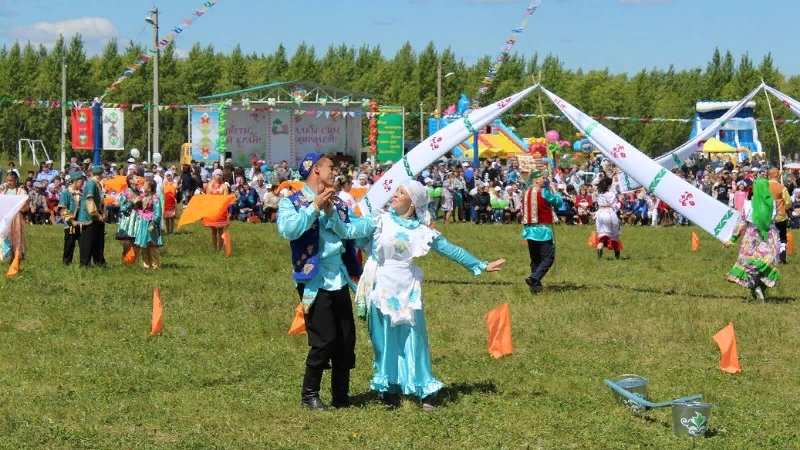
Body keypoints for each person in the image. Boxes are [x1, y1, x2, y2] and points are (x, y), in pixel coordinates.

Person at [330, 180, 504, 411]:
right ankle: (389, 386)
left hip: (407, 288)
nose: (394, 194)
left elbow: (450, 249)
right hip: (380, 285)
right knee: (383, 339)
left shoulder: (422, 232)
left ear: (412, 203)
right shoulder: (380, 220)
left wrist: (479, 265)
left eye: (401, 192)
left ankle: (423, 388)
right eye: (396, 191)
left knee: (414, 338)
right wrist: (331, 211)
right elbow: (352, 229)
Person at [276, 152, 363, 411]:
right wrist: (314, 207)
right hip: (314, 279)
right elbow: (288, 230)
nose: (335, 172)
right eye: (330, 167)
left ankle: (341, 396)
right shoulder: (292, 201)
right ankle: (309, 395)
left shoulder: (338, 202)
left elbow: (358, 227)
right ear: (316, 169)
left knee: (345, 339)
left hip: (339, 277)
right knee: (324, 339)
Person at [723, 178, 780, 301]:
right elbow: (778, 219)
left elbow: (741, 224)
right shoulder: (774, 204)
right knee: (767, 263)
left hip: (752, 236)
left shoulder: (747, 205)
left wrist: (732, 239)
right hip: (770, 236)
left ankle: (755, 287)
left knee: (750, 262)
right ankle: (760, 288)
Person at [521, 169, 563, 294]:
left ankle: (536, 287)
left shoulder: (526, 193)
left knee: (535, 259)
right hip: (542, 230)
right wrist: (555, 190)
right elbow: (558, 203)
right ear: (535, 180)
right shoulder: (544, 192)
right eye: (542, 178)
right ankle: (534, 278)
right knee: (549, 257)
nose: (544, 180)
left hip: (529, 230)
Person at [78, 168, 106, 268]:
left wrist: (102, 213)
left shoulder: (98, 184)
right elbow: (89, 200)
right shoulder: (91, 183)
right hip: (89, 217)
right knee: (88, 240)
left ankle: (99, 262)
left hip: (97, 216)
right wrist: (97, 214)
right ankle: (85, 263)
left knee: (98, 240)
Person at [133, 180, 163, 269]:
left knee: (152, 244)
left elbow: (158, 213)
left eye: (145, 184)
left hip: (150, 222)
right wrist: (136, 202)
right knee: (144, 243)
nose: (143, 185)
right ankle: (146, 264)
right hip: (142, 222)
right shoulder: (142, 196)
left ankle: (155, 265)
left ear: (150, 188)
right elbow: (136, 208)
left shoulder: (155, 198)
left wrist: (154, 223)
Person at [57, 172, 85, 265]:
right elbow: (63, 209)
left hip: (81, 222)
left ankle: (84, 263)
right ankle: (66, 263)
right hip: (70, 224)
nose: (82, 184)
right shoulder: (66, 193)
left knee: (83, 244)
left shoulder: (82, 193)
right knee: (69, 244)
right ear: (74, 181)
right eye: (80, 182)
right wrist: (71, 220)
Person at [2, 171, 27, 263]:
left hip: (16, 217)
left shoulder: (21, 191)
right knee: (5, 236)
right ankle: (6, 256)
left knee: (16, 236)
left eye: (11, 180)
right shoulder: (3, 191)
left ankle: (16, 257)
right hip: (5, 217)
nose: (9, 182)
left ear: (16, 180)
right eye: (7, 180)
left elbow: (24, 204)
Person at [595, 177, 622, 260]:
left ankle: (599, 258)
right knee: (615, 236)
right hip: (609, 214)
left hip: (599, 214)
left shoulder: (598, 193)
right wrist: (620, 202)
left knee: (601, 237)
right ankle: (617, 257)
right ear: (609, 186)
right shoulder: (610, 194)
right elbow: (615, 207)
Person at [767, 168, 791, 264]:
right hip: (780, 215)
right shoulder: (781, 188)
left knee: (769, 237)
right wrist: (786, 208)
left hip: (767, 215)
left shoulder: (764, 187)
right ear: (778, 175)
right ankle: (782, 257)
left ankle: (769, 256)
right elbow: (788, 202)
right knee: (782, 237)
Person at [203, 169, 230, 252]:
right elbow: (207, 197)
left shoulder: (224, 186)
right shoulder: (209, 185)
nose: (219, 177)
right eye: (217, 175)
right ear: (214, 176)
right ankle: (215, 249)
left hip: (221, 211)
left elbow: (225, 198)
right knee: (213, 230)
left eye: (220, 175)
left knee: (220, 230)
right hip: (212, 210)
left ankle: (220, 248)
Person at [116, 174, 140, 264]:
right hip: (129, 218)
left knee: (137, 241)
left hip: (138, 218)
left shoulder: (138, 191)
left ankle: (135, 261)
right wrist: (134, 202)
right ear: (130, 181)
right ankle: (125, 260)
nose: (138, 179)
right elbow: (122, 207)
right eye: (136, 178)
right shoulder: (126, 192)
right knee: (128, 240)